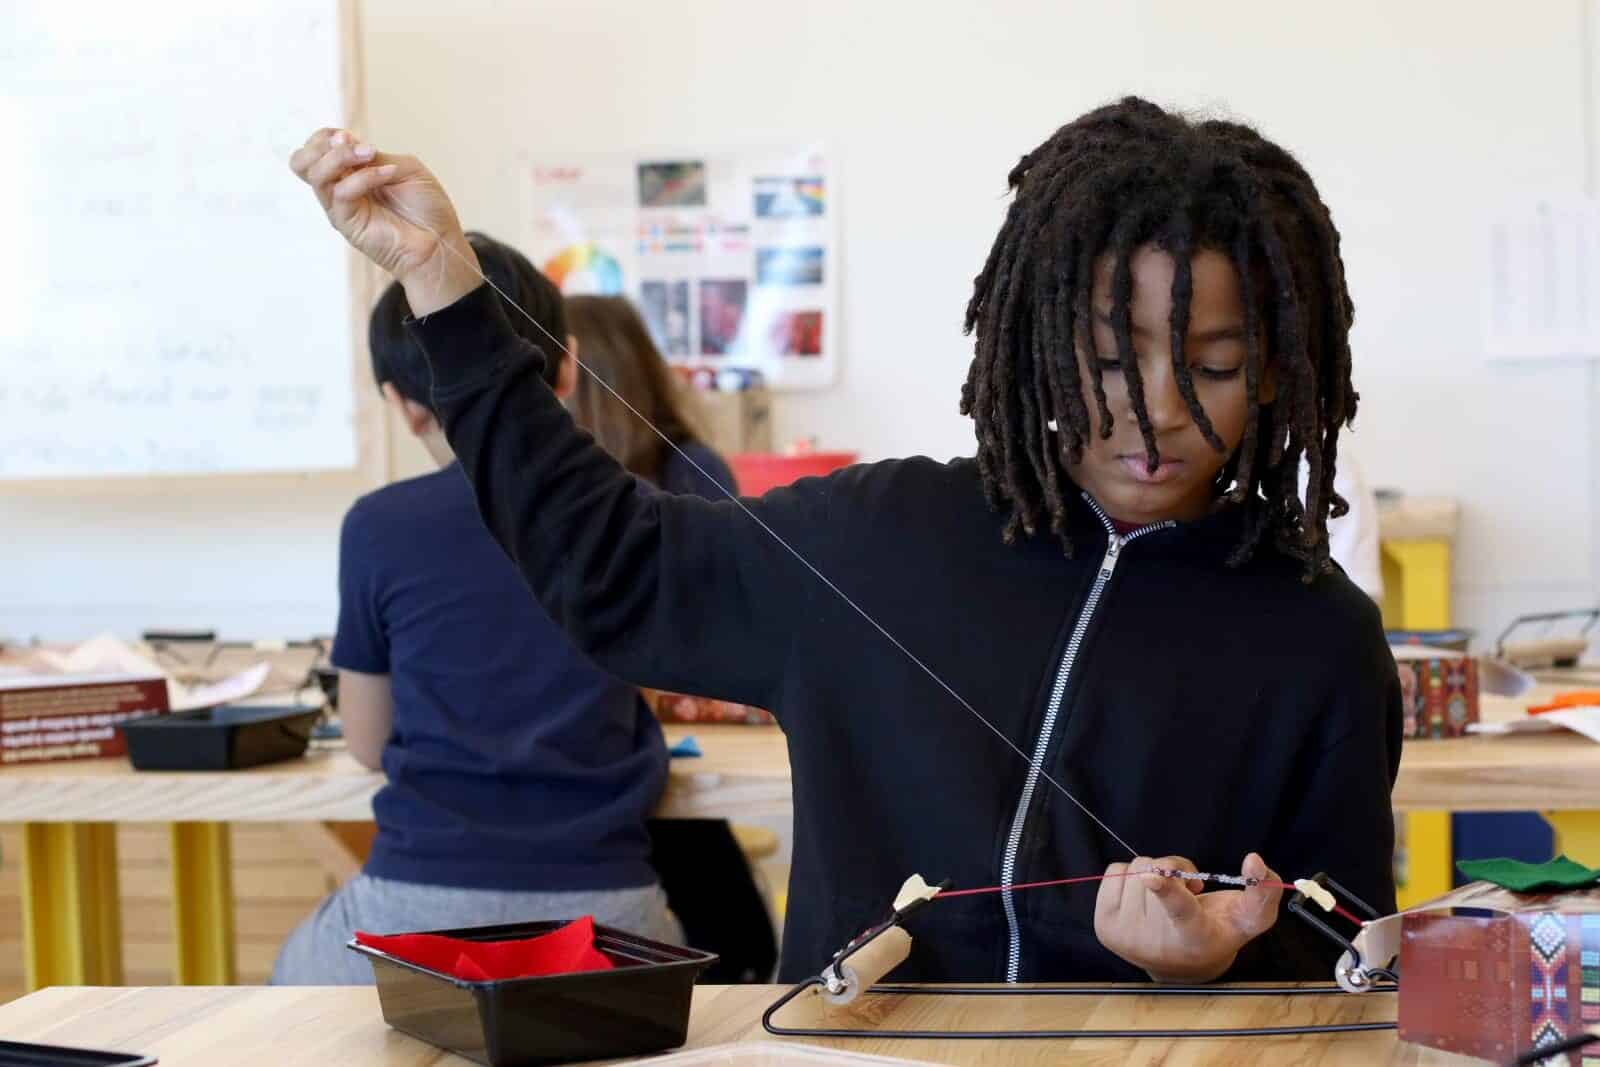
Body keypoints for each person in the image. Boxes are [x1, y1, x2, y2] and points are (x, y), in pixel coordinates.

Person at [289, 97, 1402, 985]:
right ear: (1038, 338)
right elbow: (610, 566)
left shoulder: (1317, 637)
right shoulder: (879, 535)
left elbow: (1345, 956)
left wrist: (1206, 962)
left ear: (1276, 370)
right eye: (1112, 358)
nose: (1156, 410)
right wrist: (450, 296)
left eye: (1212, 366)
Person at [270, 233, 679, 985]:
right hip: (612, 916)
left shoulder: (378, 526)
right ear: (567, 368)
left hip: (415, 905)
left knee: (288, 980)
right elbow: (645, 690)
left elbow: (367, 742)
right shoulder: (637, 508)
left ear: (401, 405)